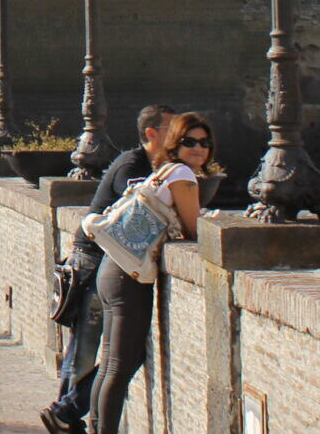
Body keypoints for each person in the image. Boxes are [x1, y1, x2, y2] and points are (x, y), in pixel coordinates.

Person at [40, 105, 171, 434]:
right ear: (152, 134)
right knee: (88, 345)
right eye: (173, 128)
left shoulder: (155, 165)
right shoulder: (133, 164)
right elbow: (136, 213)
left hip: (109, 259)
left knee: (111, 352)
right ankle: (65, 412)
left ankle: (66, 413)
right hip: (95, 258)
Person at [86, 111, 210, 434]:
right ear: (175, 144)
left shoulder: (161, 170)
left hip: (111, 267)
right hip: (128, 275)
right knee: (120, 366)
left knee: (110, 364)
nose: (199, 148)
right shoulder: (182, 173)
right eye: (190, 142)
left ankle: (96, 429)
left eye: (204, 142)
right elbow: (196, 229)